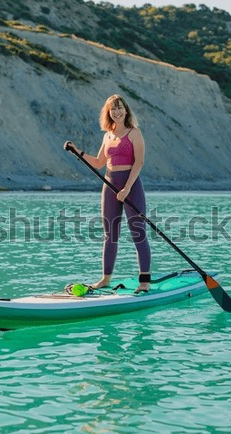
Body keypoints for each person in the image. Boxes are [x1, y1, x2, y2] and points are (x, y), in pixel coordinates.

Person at [66, 94, 151, 293]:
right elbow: (98, 162)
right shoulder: (108, 135)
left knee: (138, 233)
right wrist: (76, 151)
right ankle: (105, 278)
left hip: (131, 186)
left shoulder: (134, 133)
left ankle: (145, 281)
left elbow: (139, 162)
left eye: (120, 107)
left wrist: (127, 189)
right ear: (108, 113)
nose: (117, 111)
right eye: (113, 109)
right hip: (110, 185)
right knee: (110, 235)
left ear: (126, 110)